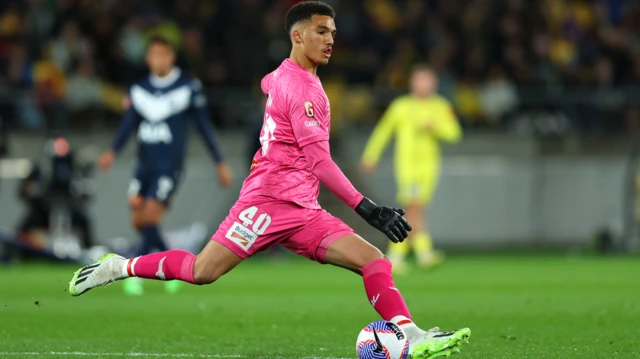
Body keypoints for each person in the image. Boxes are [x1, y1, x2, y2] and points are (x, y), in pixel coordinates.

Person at [68, 2, 470, 357]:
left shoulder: (287, 76)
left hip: (304, 210)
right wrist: (368, 209)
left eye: (333, 31)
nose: (331, 39)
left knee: (373, 260)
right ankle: (118, 268)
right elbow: (319, 161)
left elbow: (269, 82)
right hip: (266, 204)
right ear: (297, 35)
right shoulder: (304, 90)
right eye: (321, 31)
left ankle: (412, 335)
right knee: (201, 272)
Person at [96, 36, 232, 295]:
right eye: (154, 54)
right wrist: (112, 151)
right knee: (139, 220)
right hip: (143, 165)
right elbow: (128, 125)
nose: (159, 59)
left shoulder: (188, 88)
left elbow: (204, 127)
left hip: (169, 165)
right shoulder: (139, 90)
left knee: (150, 215)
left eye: (164, 54)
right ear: (148, 58)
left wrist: (220, 162)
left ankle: (133, 271)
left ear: (172, 57)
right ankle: (173, 265)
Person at [361, 65, 462, 273]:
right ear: (412, 83)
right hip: (407, 168)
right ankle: (421, 253)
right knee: (414, 207)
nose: (423, 84)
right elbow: (383, 131)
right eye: (419, 80)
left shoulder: (441, 106)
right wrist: (371, 156)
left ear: (434, 83)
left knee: (417, 208)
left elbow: (454, 133)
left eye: (427, 80)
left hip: (430, 168)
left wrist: (435, 127)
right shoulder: (401, 106)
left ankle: (399, 255)